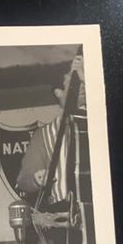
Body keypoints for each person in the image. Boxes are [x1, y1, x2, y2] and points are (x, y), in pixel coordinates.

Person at [16, 50, 86, 203]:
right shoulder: (44, 134)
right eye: (75, 81)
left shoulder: (98, 119)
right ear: (58, 92)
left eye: (84, 80)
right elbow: (23, 180)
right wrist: (36, 179)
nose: (82, 86)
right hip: (65, 210)